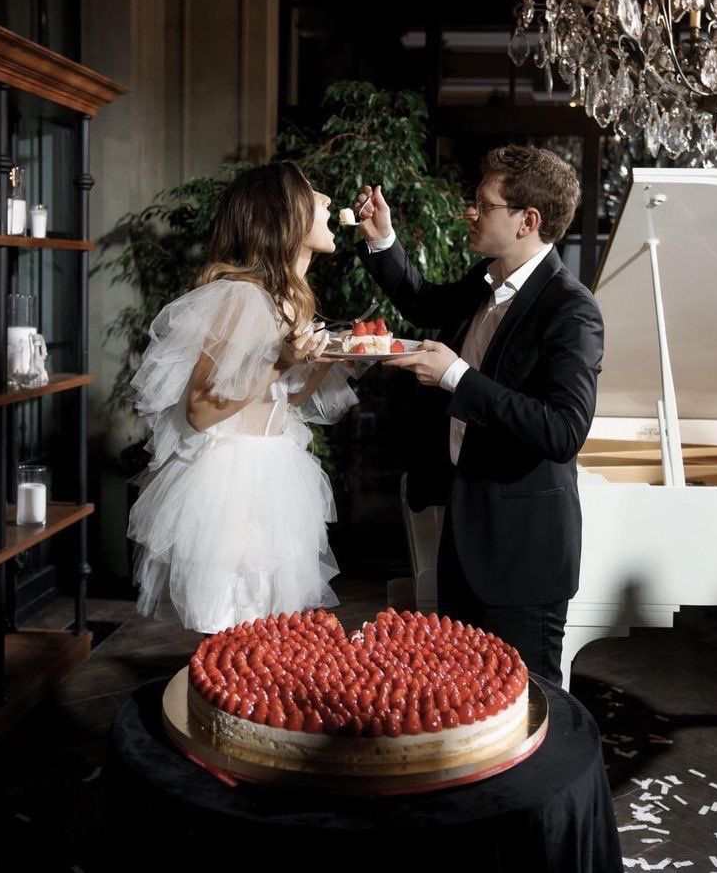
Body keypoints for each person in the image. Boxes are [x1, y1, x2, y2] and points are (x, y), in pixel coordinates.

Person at [354, 145, 604, 685]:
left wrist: (457, 379)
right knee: (464, 704)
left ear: (527, 221)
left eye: (483, 204)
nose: (469, 211)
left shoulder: (572, 309)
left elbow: (563, 431)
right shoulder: (485, 279)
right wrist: (382, 240)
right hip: (464, 536)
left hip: (521, 557)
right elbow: (423, 303)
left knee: (528, 713)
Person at [127, 162, 359, 634]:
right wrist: (281, 362)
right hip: (232, 486)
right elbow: (199, 411)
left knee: (269, 635)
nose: (328, 202)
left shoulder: (287, 300)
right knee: (234, 633)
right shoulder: (241, 297)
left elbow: (280, 402)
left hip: (277, 474)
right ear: (283, 216)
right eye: (314, 195)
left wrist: (328, 361)